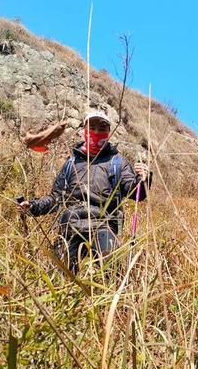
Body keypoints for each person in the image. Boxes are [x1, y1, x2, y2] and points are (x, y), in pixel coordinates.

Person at [17, 111, 151, 274]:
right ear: (84, 130)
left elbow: (136, 193)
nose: (96, 132)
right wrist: (32, 206)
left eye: (102, 128)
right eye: (92, 127)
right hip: (71, 222)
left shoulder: (117, 162)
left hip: (104, 223)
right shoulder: (71, 163)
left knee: (112, 272)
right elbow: (56, 198)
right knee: (62, 274)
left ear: (109, 132)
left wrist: (144, 179)